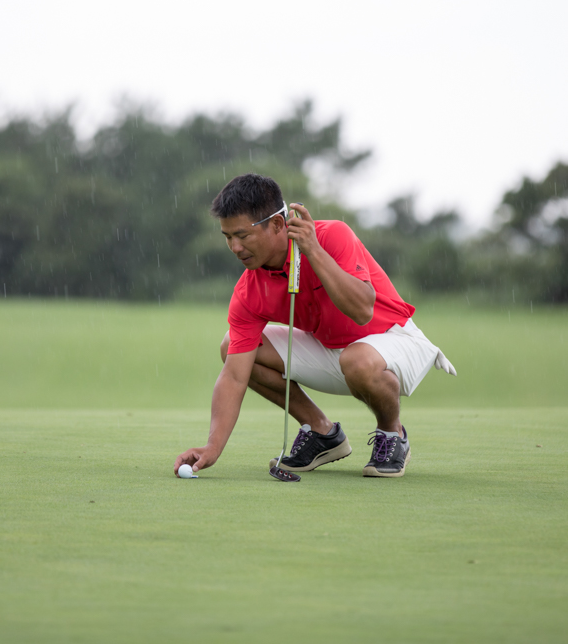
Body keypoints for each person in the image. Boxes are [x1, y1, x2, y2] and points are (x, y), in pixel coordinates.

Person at [174, 173, 456, 479]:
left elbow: (362, 311)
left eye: (242, 235)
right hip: (331, 348)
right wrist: (213, 447)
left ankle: (392, 433)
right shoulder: (248, 290)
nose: (235, 247)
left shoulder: (332, 235)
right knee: (233, 346)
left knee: (358, 359)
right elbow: (234, 376)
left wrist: (314, 252)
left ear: (277, 224)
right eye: (228, 237)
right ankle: (322, 432)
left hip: (394, 338)